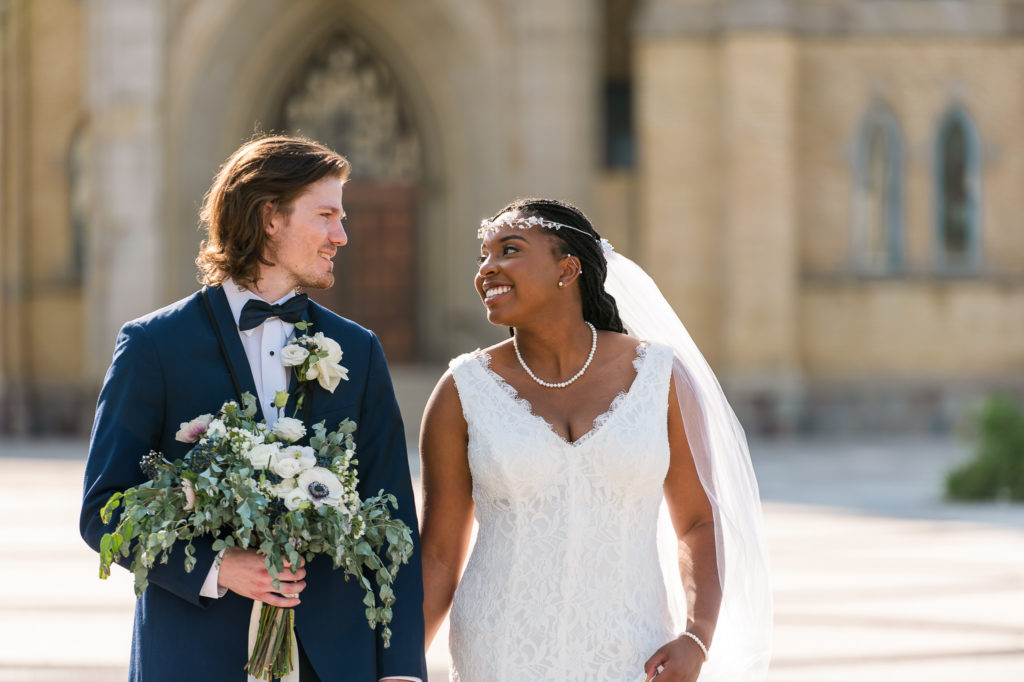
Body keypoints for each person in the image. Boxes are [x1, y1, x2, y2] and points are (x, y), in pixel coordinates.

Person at [79, 135, 427, 682]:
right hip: (195, 654)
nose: (341, 235)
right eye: (326, 215)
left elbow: (394, 519)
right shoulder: (153, 346)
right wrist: (220, 568)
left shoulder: (358, 350)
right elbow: (104, 509)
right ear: (270, 217)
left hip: (334, 661)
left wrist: (403, 669)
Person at [419, 198, 772, 681]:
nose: (487, 269)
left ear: (567, 269)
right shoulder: (462, 390)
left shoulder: (659, 377)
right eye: (483, 256)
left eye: (509, 250)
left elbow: (697, 522)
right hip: (499, 648)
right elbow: (439, 554)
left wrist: (697, 636)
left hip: (632, 648)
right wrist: (398, 667)